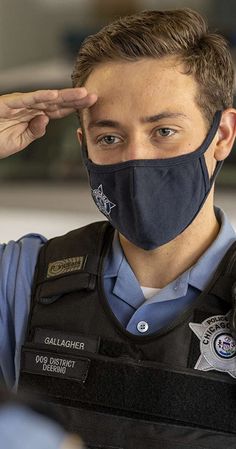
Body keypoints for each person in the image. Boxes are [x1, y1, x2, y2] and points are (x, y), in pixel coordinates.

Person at [0, 7, 236, 449]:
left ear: (221, 134)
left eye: (164, 130)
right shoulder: (23, 277)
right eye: (109, 138)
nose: (136, 158)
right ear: (83, 145)